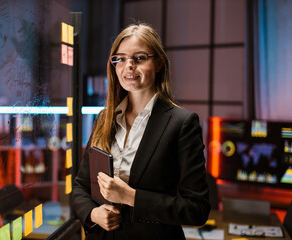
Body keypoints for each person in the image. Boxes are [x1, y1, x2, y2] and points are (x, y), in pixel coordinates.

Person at [72, 23, 210, 239]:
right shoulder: (103, 119)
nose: (129, 66)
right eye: (121, 59)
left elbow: (197, 209)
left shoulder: (182, 123)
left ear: (159, 63)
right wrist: (93, 213)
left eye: (140, 57)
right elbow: (80, 187)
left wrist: (131, 197)